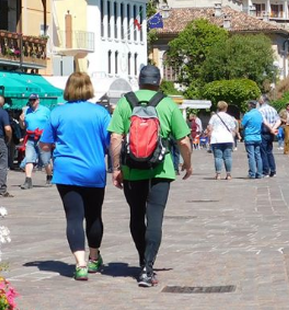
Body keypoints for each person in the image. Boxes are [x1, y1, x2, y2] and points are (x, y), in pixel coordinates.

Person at [108, 65, 192, 288]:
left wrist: (117, 168)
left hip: (133, 169)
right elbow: (183, 140)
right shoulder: (166, 103)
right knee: (155, 217)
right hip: (160, 170)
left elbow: (116, 138)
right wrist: (188, 164)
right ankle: (148, 267)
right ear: (159, 81)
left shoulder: (126, 102)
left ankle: (142, 260)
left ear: (139, 80)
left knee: (136, 216)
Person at [40, 72, 111, 281]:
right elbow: (110, 142)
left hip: (67, 171)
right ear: (88, 87)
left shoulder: (57, 113)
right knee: (94, 215)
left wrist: (50, 152)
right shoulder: (101, 113)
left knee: (73, 217)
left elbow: (45, 143)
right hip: (94, 170)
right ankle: (94, 257)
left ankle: (80, 264)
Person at [20, 94, 53, 190]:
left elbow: (51, 124)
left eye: (34, 100)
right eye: (30, 100)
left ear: (38, 100)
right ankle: (28, 180)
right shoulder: (27, 111)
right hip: (30, 138)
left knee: (45, 160)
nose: (32, 102)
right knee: (29, 159)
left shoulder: (45, 110)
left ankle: (49, 176)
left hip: (43, 138)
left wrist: (50, 137)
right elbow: (23, 126)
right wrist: (21, 120)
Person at [206, 101, 238, 180]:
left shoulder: (214, 117)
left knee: (218, 157)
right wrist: (233, 135)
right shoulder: (229, 117)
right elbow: (233, 128)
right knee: (228, 157)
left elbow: (210, 127)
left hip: (217, 138)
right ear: (226, 108)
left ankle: (218, 174)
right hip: (227, 138)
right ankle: (228, 174)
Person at [257, 95, 280, 177]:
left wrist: (270, 129)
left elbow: (264, 121)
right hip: (271, 133)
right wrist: (274, 128)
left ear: (262, 100)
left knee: (263, 152)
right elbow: (278, 120)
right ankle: (273, 170)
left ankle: (266, 171)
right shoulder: (273, 109)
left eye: (259, 99)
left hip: (264, 132)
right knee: (269, 151)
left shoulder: (260, 110)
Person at [240, 101, 264, 179]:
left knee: (251, 156)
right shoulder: (259, 114)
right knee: (258, 155)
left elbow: (242, 125)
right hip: (258, 137)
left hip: (249, 137)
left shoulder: (248, 115)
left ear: (250, 106)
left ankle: (252, 173)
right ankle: (259, 173)